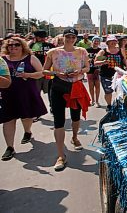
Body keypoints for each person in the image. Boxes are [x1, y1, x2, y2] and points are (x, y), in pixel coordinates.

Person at [43, 28, 90, 171]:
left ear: (76, 38)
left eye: (73, 37)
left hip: (75, 87)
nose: (70, 39)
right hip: (58, 87)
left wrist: (80, 71)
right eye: (68, 36)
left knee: (76, 117)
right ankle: (60, 155)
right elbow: (45, 70)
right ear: (63, 37)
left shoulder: (82, 51)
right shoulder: (53, 52)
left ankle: (75, 137)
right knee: (59, 120)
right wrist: (58, 73)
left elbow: (87, 67)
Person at [0, 37, 47, 161]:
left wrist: (28, 75)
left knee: (26, 117)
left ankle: (27, 131)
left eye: (16, 45)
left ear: (22, 46)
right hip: (7, 94)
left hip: (26, 93)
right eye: (10, 45)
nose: (13, 47)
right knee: (8, 120)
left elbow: (41, 73)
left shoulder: (30, 58)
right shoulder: (2, 60)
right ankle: (9, 147)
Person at [94, 35, 127, 110]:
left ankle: (119, 105)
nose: (113, 42)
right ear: (108, 42)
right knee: (108, 92)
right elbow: (96, 62)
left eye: (114, 41)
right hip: (106, 75)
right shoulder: (103, 51)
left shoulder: (120, 50)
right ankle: (109, 105)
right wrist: (103, 62)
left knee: (120, 91)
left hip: (118, 75)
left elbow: (124, 59)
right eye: (111, 41)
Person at [29, 30, 55, 96]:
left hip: (38, 71)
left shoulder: (33, 45)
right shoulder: (51, 45)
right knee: (50, 90)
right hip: (46, 70)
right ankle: (52, 105)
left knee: (37, 92)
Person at [86, 36, 102, 107]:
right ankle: (92, 100)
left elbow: (102, 60)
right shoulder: (87, 50)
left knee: (97, 86)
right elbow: (84, 59)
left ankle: (97, 101)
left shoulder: (100, 50)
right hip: (90, 69)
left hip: (98, 69)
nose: (96, 42)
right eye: (95, 41)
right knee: (91, 86)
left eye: (98, 41)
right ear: (92, 41)